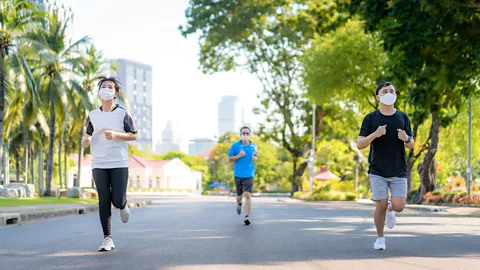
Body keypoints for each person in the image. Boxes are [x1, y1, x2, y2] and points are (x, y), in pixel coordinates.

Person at [82, 76, 138, 252]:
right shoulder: (93, 114)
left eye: (110, 87)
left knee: (117, 199)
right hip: (99, 162)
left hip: (119, 161)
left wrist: (116, 134)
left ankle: (123, 204)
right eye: (103, 86)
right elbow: (90, 134)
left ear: (115, 93)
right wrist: (86, 140)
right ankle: (107, 239)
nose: (106, 89)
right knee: (103, 200)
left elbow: (134, 135)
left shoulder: (122, 113)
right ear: (99, 93)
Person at [356, 82, 414, 251]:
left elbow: (411, 145)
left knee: (399, 206)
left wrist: (406, 139)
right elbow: (360, 144)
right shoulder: (371, 118)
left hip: (398, 170)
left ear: (395, 95)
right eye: (385, 91)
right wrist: (375, 134)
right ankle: (380, 238)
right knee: (379, 205)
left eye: (392, 91)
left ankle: (391, 209)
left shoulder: (403, 117)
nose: (389, 93)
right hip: (377, 170)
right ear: (378, 97)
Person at [228, 126, 259, 225]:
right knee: (239, 196)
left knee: (248, 195)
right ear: (240, 134)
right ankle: (239, 203)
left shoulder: (253, 145)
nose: (245, 135)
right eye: (243, 133)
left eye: (247, 133)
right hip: (238, 174)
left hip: (249, 174)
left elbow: (256, 155)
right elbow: (229, 159)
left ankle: (247, 217)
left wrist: (255, 158)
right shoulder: (235, 145)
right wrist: (239, 156)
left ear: (250, 135)